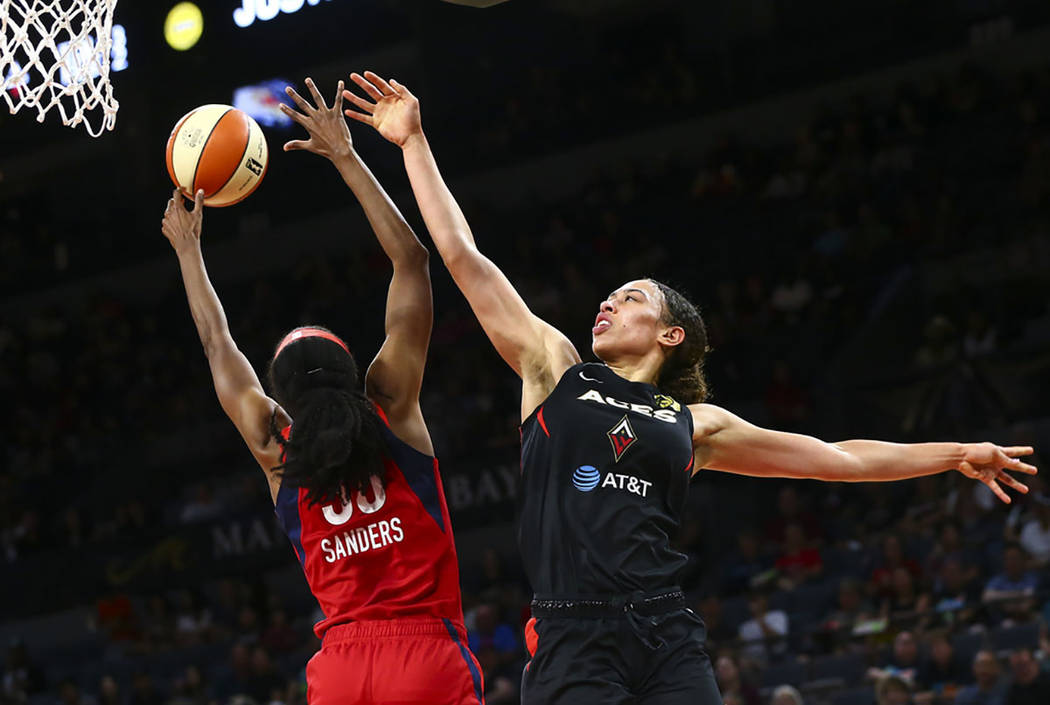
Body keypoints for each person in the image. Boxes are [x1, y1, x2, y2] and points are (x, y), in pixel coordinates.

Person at [342, 69, 1038, 705]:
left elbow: (840, 459)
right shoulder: (554, 367)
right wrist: (413, 142)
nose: (608, 304)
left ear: (671, 333)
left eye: (631, 297)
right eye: (608, 297)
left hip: (664, 631)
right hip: (571, 633)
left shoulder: (694, 421)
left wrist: (952, 454)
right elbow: (463, 257)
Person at [161, 77, 482, 705]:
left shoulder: (276, 448)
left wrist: (188, 253)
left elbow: (216, 345)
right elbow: (411, 263)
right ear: (356, 371)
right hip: (424, 657)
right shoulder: (390, 409)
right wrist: (346, 155)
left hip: (340, 673)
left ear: (281, 398)